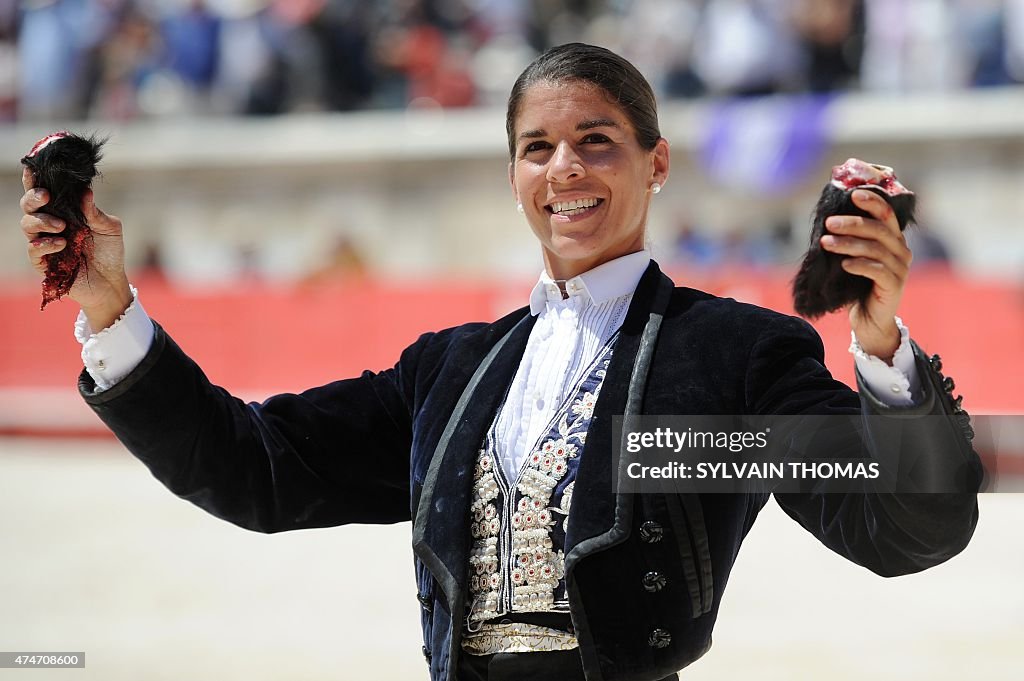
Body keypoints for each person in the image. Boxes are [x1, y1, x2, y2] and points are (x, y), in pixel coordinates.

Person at [19, 43, 979, 681]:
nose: (564, 168)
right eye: (537, 147)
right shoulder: (452, 374)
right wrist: (109, 302)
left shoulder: (720, 354)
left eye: (596, 142)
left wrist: (881, 343)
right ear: (513, 173)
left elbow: (897, 532)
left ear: (657, 162)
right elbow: (257, 471)